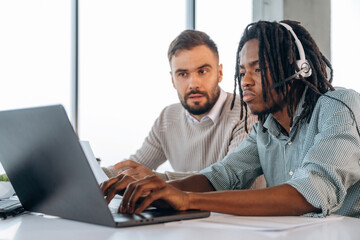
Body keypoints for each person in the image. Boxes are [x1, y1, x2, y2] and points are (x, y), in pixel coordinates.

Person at [100, 20, 360, 218]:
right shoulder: (265, 130)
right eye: (242, 71)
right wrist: (160, 191)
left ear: (297, 68)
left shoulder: (339, 106)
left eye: (258, 69)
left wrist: (187, 199)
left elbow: (311, 191)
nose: (245, 81)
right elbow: (220, 176)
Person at [102, 29, 260, 185]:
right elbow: (134, 168)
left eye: (202, 71)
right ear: (172, 79)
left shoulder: (247, 113)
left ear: (219, 73)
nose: (193, 84)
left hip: (239, 211)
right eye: (183, 74)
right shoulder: (168, 117)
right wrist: (89, 170)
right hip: (191, 211)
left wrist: (155, 180)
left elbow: (228, 179)